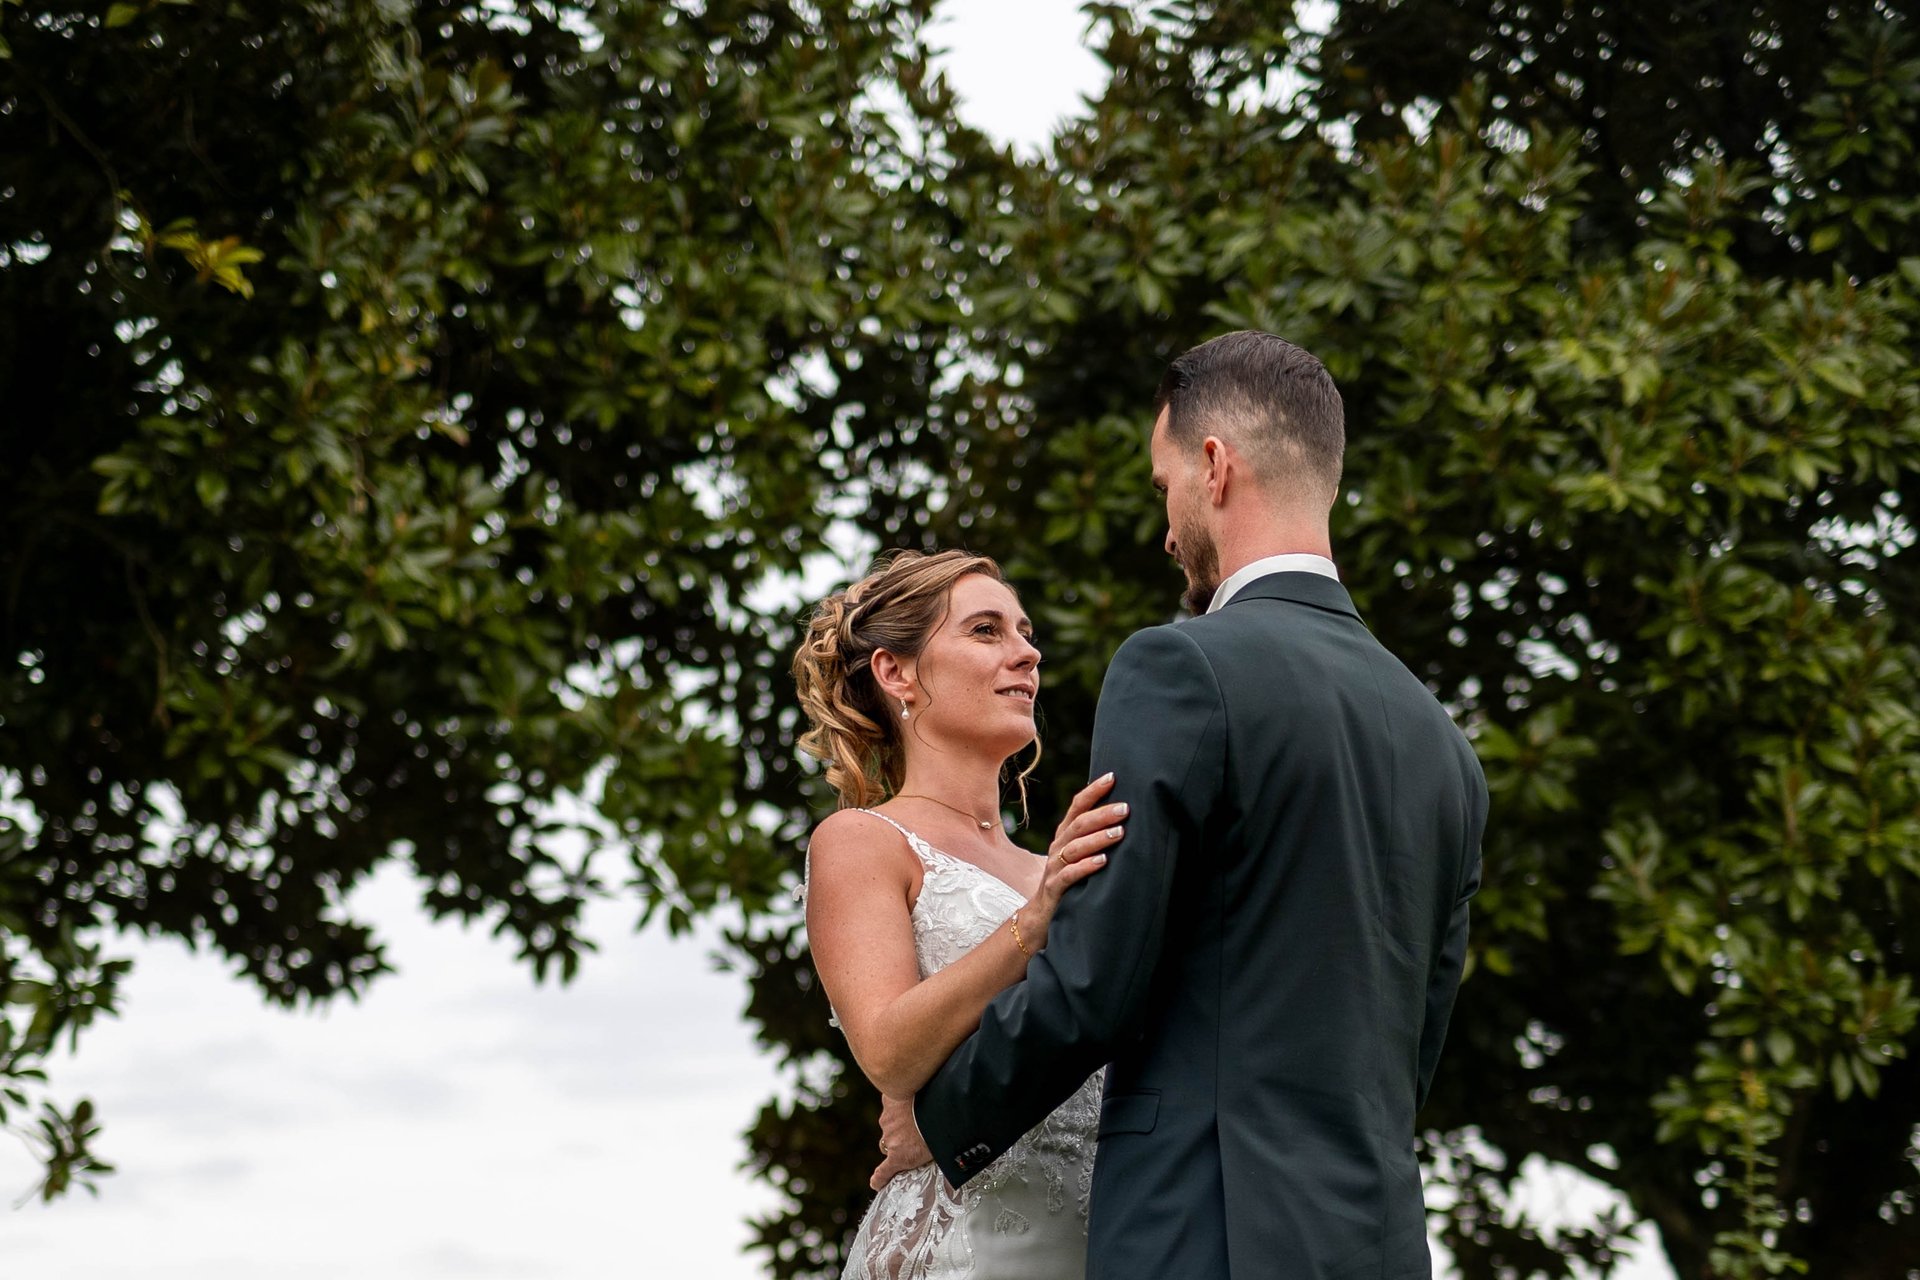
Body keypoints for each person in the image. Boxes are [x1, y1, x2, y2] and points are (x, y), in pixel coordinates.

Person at [887, 330, 1489, 1279]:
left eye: (1165, 485)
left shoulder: (1183, 666)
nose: (1167, 530)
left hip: (1206, 1232)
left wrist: (944, 1116)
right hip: (1376, 1245)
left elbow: (1097, 972)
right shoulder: (1443, 745)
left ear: (1214, 467)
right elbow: (1415, 1045)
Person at [793, 548, 1132, 1280]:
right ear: (896, 672)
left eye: (1025, 631)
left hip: (1099, 1244)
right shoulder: (862, 841)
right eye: (986, 631)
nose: (1027, 653)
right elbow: (887, 1047)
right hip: (955, 1249)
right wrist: (1031, 926)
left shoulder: (1059, 870)